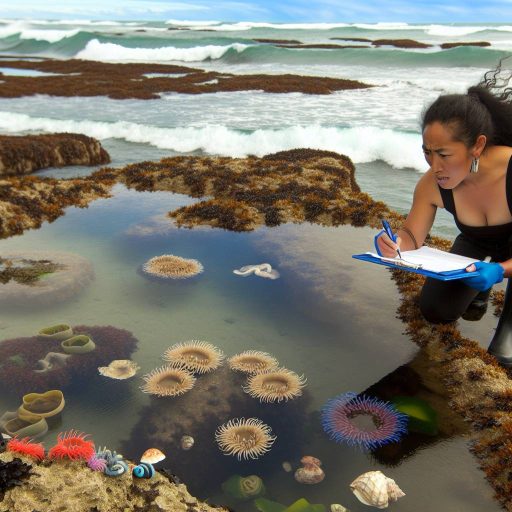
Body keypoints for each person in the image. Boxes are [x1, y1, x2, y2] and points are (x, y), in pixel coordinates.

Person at [375, 62, 512, 362]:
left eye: (444, 155)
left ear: (477, 146)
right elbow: (412, 233)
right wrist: (394, 244)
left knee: (504, 355)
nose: (434, 166)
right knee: (435, 310)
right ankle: (480, 292)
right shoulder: (432, 184)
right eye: (427, 151)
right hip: (478, 243)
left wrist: (500, 270)